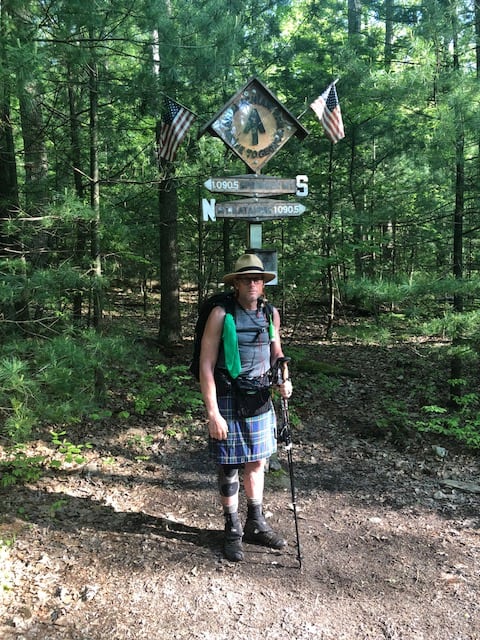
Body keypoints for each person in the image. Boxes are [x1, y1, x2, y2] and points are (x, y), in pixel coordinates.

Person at [199, 253, 293, 562]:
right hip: (227, 395)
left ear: (263, 285)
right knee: (229, 466)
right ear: (236, 283)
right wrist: (213, 412)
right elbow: (206, 364)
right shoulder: (220, 314)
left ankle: (256, 522)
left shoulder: (270, 314)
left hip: (259, 396)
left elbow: (276, 350)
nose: (252, 283)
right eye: (246, 279)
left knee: (256, 462)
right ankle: (233, 529)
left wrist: (284, 377)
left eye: (257, 279)